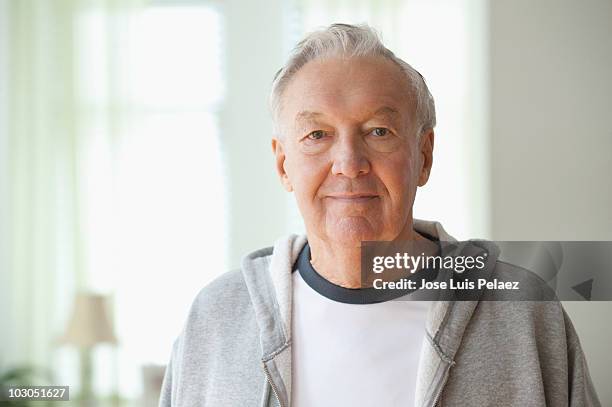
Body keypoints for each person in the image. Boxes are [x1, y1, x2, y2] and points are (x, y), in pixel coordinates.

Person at [158, 23, 600, 406]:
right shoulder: (214, 319)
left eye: (379, 131)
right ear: (283, 165)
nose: (349, 162)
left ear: (423, 156)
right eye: (317, 134)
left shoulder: (523, 311)